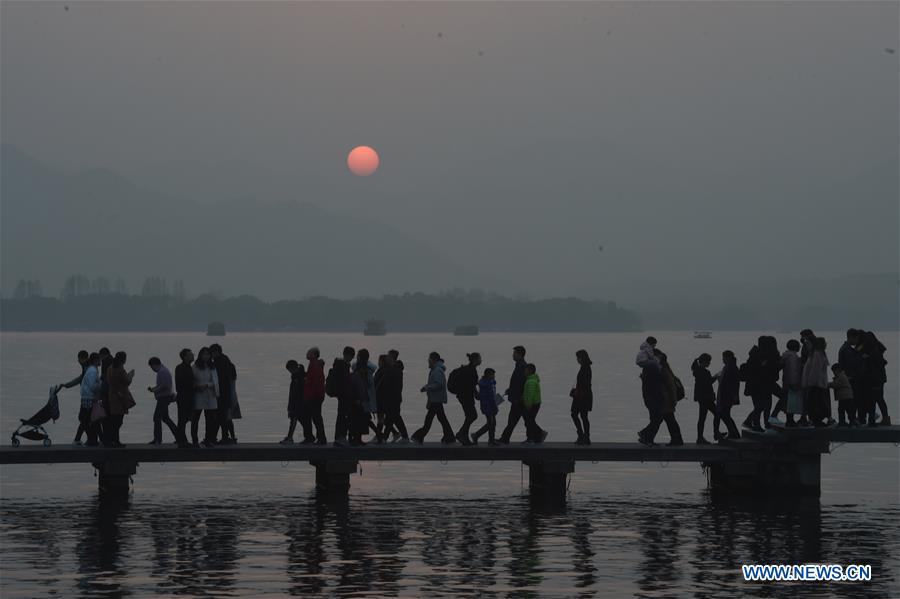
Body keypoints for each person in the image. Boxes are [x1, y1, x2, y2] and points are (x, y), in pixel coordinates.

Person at [637, 339, 684, 447]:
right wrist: (673, 399)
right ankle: (675, 440)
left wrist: (673, 399)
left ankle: (647, 435)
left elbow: (669, 385)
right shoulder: (660, 369)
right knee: (667, 419)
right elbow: (668, 385)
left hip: (662, 399)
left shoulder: (660, 369)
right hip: (662, 399)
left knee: (661, 419)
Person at [412, 352, 455, 444]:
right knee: (441, 419)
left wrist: (427, 387)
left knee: (429, 419)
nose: (428, 361)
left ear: (434, 360)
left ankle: (418, 436)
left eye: (429, 359)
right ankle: (449, 437)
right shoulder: (436, 370)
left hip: (436, 399)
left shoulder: (437, 371)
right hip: (436, 399)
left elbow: (439, 384)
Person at [858, 331, 890, 427]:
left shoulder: (873, 351)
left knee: (876, 398)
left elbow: (859, 352)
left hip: (875, 379)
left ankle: (882, 418)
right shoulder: (876, 348)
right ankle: (885, 418)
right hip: (880, 379)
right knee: (879, 398)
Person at [105, 351, 135, 448]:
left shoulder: (110, 368)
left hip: (112, 396)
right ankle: (115, 441)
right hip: (120, 398)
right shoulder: (120, 369)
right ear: (123, 359)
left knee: (114, 420)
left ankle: (111, 440)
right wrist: (131, 375)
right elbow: (127, 381)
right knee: (118, 421)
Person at [59, 350, 90, 445]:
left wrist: (67, 385)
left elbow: (84, 380)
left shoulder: (88, 367)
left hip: (88, 397)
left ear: (82, 358)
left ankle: (80, 439)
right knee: (86, 419)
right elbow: (80, 378)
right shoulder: (85, 366)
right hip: (86, 397)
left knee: (84, 418)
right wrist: (67, 385)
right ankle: (89, 439)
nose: (78, 360)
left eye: (78, 358)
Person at [498, 346, 528, 444]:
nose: (513, 355)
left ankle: (505, 439)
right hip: (517, 397)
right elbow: (516, 383)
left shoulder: (522, 366)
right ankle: (505, 438)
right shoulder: (519, 365)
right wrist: (510, 390)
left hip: (518, 399)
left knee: (514, 419)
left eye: (514, 353)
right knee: (522, 419)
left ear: (520, 354)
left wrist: (517, 397)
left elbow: (521, 383)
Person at [191, 346, 220, 447]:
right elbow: (192, 380)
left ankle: (208, 439)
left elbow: (216, 382)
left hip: (210, 395)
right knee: (195, 419)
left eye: (208, 354)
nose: (206, 356)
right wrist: (197, 386)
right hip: (198, 395)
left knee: (210, 420)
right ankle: (195, 441)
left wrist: (207, 385)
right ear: (200, 355)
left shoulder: (212, 367)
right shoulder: (195, 367)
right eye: (204, 354)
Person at [210, 344, 237, 444]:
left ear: (215, 352)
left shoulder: (217, 362)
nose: (211, 356)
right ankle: (231, 437)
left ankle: (223, 437)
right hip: (229, 393)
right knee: (226, 417)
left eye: (211, 353)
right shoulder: (229, 363)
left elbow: (218, 380)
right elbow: (233, 379)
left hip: (220, 394)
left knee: (220, 416)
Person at [451, 353, 480, 445]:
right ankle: (461, 433)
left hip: (463, 396)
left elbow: (471, 384)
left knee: (470, 416)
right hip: (466, 397)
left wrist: (475, 393)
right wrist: (476, 394)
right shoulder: (471, 370)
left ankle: (464, 436)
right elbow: (471, 385)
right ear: (475, 360)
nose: (481, 360)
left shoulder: (469, 369)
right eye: (479, 359)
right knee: (472, 415)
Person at [147, 357, 178, 445]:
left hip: (164, 398)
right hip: (165, 397)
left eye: (151, 367)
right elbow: (163, 385)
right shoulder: (163, 371)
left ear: (154, 365)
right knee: (165, 418)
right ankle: (179, 436)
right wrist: (154, 389)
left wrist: (155, 390)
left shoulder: (162, 372)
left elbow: (165, 386)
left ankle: (158, 439)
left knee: (156, 418)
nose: (152, 369)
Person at [327, 348, 354, 446]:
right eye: (350, 356)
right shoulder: (342, 366)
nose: (350, 358)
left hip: (341, 395)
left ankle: (339, 437)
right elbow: (344, 381)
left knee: (341, 416)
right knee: (343, 417)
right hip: (344, 395)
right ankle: (341, 437)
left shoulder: (339, 365)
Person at [381, 351, 409, 443]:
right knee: (395, 418)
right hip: (393, 398)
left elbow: (394, 386)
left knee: (390, 418)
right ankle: (404, 437)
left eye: (388, 356)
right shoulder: (393, 368)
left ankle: (385, 438)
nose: (386, 358)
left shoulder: (395, 370)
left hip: (393, 398)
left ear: (391, 357)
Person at [801, 337, 830, 427]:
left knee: (815, 403)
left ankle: (816, 420)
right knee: (816, 403)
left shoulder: (816, 354)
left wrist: (810, 382)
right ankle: (816, 420)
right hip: (817, 383)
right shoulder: (817, 353)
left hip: (815, 384)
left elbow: (815, 370)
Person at [838, 329, 863, 424]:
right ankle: (851, 420)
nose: (857, 341)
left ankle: (845, 420)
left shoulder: (845, 348)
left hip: (846, 378)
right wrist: (861, 357)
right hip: (849, 379)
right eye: (856, 339)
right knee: (850, 401)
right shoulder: (847, 350)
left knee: (845, 402)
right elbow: (851, 363)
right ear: (851, 337)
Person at [691, 353, 717, 444]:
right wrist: (716, 376)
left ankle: (700, 437)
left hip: (701, 398)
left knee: (702, 418)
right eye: (708, 361)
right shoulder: (704, 372)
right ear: (705, 361)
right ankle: (715, 434)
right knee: (716, 414)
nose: (709, 363)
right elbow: (708, 383)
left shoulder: (697, 370)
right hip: (706, 398)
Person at [714, 351, 741, 440]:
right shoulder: (730, 367)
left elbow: (733, 383)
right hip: (726, 395)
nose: (723, 360)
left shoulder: (731, 368)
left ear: (728, 358)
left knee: (724, 414)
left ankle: (733, 433)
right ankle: (733, 432)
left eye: (724, 358)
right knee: (725, 414)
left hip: (727, 396)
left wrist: (734, 395)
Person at [304, 347, 328, 444]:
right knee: (312, 417)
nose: (307, 353)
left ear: (314, 354)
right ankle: (314, 437)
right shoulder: (313, 364)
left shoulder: (315, 365)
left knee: (316, 418)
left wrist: (313, 395)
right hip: (313, 396)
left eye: (309, 352)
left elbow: (317, 382)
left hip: (314, 397)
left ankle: (321, 438)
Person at [78, 352, 102, 446]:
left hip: (88, 397)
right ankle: (92, 440)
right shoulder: (93, 371)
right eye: (99, 359)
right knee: (87, 419)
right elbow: (93, 386)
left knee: (89, 420)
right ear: (96, 360)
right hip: (89, 398)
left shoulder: (91, 369)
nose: (101, 361)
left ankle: (93, 440)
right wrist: (101, 383)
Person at [570, 350, 593, 445]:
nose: (577, 360)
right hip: (584, 395)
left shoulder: (585, 368)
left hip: (582, 396)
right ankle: (584, 436)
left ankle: (583, 436)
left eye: (578, 357)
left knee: (577, 415)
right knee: (582, 416)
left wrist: (577, 392)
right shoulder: (585, 367)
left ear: (582, 358)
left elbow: (584, 383)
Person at [471, 368, 499, 445]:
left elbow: (481, 396)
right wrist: (495, 407)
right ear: (489, 375)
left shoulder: (484, 383)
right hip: (489, 406)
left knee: (492, 423)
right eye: (493, 375)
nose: (494, 376)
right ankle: (476, 435)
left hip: (485, 406)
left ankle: (491, 440)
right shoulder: (489, 384)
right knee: (491, 423)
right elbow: (491, 397)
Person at [280, 359, 306, 444]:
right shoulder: (296, 376)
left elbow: (297, 392)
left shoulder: (299, 377)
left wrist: (291, 405)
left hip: (298, 403)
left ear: (293, 368)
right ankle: (308, 436)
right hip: (296, 403)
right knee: (300, 421)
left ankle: (290, 437)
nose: (290, 372)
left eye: (290, 370)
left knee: (295, 420)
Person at [521, 363, 547, 444]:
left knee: (529, 421)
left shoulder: (531, 381)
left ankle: (532, 437)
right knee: (530, 421)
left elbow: (531, 394)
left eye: (525, 370)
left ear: (530, 370)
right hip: (534, 404)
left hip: (532, 404)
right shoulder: (531, 380)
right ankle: (537, 436)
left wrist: (528, 405)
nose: (524, 371)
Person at [174, 348, 194, 448]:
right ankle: (182, 441)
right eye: (190, 355)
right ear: (184, 357)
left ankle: (180, 438)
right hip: (183, 397)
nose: (192, 356)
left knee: (184, 419)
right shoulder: (180, 368)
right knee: (182, 419)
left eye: (192, 354)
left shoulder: (189, 367)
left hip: (188, 397)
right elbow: (181, 383)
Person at [781, 340, 804, 427]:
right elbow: (793, 371)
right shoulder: (793, 357)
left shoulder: (786, 356)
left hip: (786, 382)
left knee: (788, 403)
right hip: (792, 383)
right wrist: (795, 383)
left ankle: (789, 420)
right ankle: (790, 421)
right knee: (792, 403)